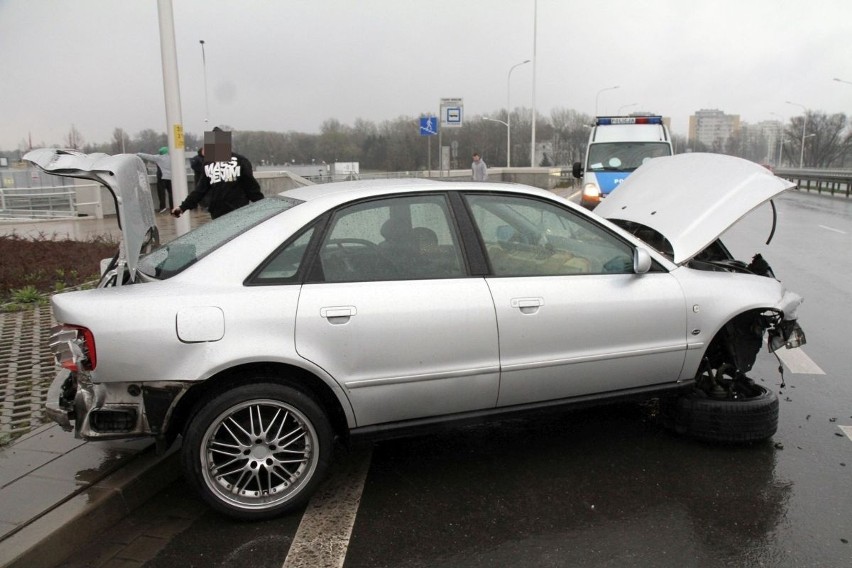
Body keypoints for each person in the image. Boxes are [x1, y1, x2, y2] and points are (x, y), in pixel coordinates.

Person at [172, 127, 264, 220]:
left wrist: (263, 206)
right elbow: (200, 190)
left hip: (239, 213)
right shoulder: (208, 164)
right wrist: (183, 207)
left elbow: (251, 187)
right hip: (218, 215)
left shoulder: (240, 161)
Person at [137, 147, 173, 213]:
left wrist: (138, 154)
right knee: (171, 193)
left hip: (162, 177)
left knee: (161, 193)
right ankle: (172, 207)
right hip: (171, 178)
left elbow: (148, 156)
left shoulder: (158, 157)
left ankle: (163, 207)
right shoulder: (172, 158)